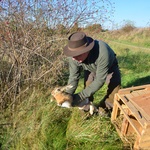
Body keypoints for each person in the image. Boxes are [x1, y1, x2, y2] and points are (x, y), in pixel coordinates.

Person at [63, 31, 121, 114]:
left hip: (109, 67)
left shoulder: (103, 52)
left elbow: (99, 80)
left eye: (78, 55)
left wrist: (79, 96)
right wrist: (66, 96)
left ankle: (105, 109)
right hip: (89, 68)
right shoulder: (73, 57)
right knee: (88, 87)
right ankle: (86, 109)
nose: (74, 58)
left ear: (87, 50)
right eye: (73, 55)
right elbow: (73, 77)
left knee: (114, 89)